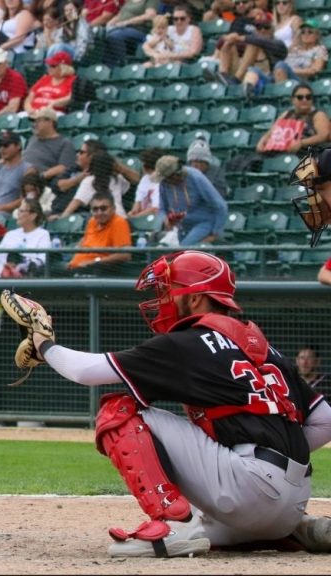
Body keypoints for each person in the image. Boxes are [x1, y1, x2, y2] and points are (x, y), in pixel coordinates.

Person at [16, 249, 331, 557]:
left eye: (171, 290)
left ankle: (171, 523)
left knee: (117, 411)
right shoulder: (265, 348)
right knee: (208, 525)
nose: (163, 299)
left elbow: (85, 371)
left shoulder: (188, 341)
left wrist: (44, 345)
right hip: (292, 500)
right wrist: (276, 454)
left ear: (195, 298)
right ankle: (298, 529)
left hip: (246, 491)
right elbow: (326, 421)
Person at [155, 155, 229, 246]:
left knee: (184, 248)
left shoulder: (196, 177)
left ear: (176, 174)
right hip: (182, 226)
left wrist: (215, 233)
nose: (166, 181)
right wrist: (165, 220)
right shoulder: (164, 183)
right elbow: (162, 208)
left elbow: (220, 206)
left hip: (204, 222)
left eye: (168, 178)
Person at [55, 151, 134, 220]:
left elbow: (74, 204)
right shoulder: (117, 178)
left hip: (106, 220)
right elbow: (136, 180)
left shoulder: (89, 181)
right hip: (122, 219)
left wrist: (61, 218)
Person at [255, 83, 330, 155]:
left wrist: (301, 143)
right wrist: (262, 140)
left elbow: (323, 136)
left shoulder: (318, 115)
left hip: (305, 153)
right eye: (300, 97)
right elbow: (273, 130)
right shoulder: (287, 114)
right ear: (293, 99)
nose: (304, 100)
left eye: (308, 97)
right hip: (280, 151)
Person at [0, 197, 51, 277]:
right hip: (0, 277)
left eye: (21, 211)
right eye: (18, 210)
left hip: (24, 279)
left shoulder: (43, 234)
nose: (18, 214)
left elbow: (42, 260)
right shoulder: (10, 234)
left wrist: (21, 265)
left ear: (33, 216)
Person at [21, 107, 77, 197]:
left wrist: (40, 176)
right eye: (34, 122)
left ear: (50, 122)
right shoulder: (33, 139)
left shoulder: (64, 143)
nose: (34, 125)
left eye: (38, 121)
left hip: (38, 185)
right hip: (20, 178)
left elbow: (64, 167)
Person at [67, 192, 131, 270]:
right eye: (95, 209)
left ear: (113, 208)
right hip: (75, 269)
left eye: (103, 208)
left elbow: (125, 255)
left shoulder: (119, 222)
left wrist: (95, 262)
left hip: (96, 271)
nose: (99, 213)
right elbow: (84, 243)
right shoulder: (92, 221)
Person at [102, 0, 159, 68]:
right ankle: (109, 69)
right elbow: (120, 15)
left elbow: (150, 15)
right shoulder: (129, 1)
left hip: (139, 30)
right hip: (121, 29)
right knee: (104, 35)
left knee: (114, 36)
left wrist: (126, 22)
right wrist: (109, 24)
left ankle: (123, 64)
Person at [272, 18, 328, 85]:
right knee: (257, 71)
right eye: (303, 32)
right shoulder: (294, 49)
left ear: (316, 35)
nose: (306, 34)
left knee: (280, 65)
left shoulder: (319, 49)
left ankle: (280, 92)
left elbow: (315, 70)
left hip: (302, 81)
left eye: (310, 32)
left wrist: (291, 70)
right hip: (286, 76)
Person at [128, 147, 164, 218]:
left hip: (159, 219)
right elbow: (138, 202)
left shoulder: (163, 183)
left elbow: (155, 209)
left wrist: (134, 217)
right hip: (143, 216)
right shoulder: (145, 179)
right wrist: (132, 213)